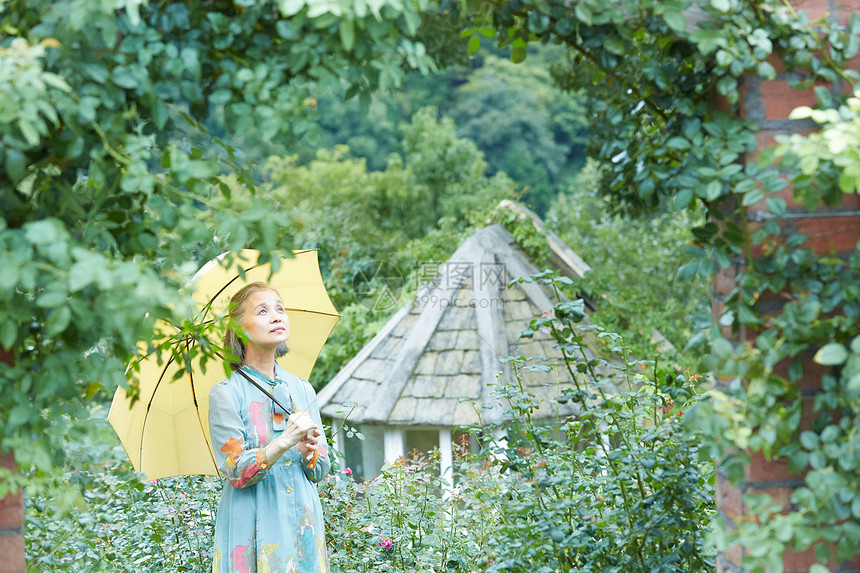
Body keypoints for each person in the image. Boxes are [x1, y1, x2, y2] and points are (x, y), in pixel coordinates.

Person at [208, 281, 331, 573]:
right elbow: (235, 471)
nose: (277, 316)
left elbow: (321, 468)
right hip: (252, 520)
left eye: (280, 309)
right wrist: (284, 441)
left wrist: (308, 452)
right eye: (263, 311)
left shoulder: (302, 389)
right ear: (239, 329)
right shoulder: (226, 393)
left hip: (302, 518)